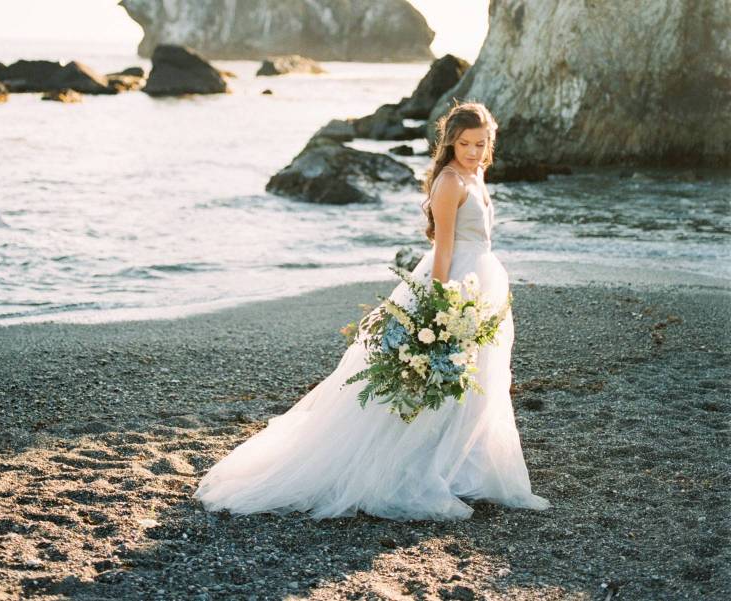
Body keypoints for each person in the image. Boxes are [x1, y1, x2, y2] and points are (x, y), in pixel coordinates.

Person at [193, 101, 551, 521]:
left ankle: (463, 469)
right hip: (455, 283)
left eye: (480, 143)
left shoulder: (476, 173)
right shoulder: (451, 181)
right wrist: (439, 303)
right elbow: (445, 248)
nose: (472, 151)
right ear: (450, 142)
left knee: (478, 377)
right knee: (441, 377)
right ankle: (412, 470)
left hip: (482, 282)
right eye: (464, 143)